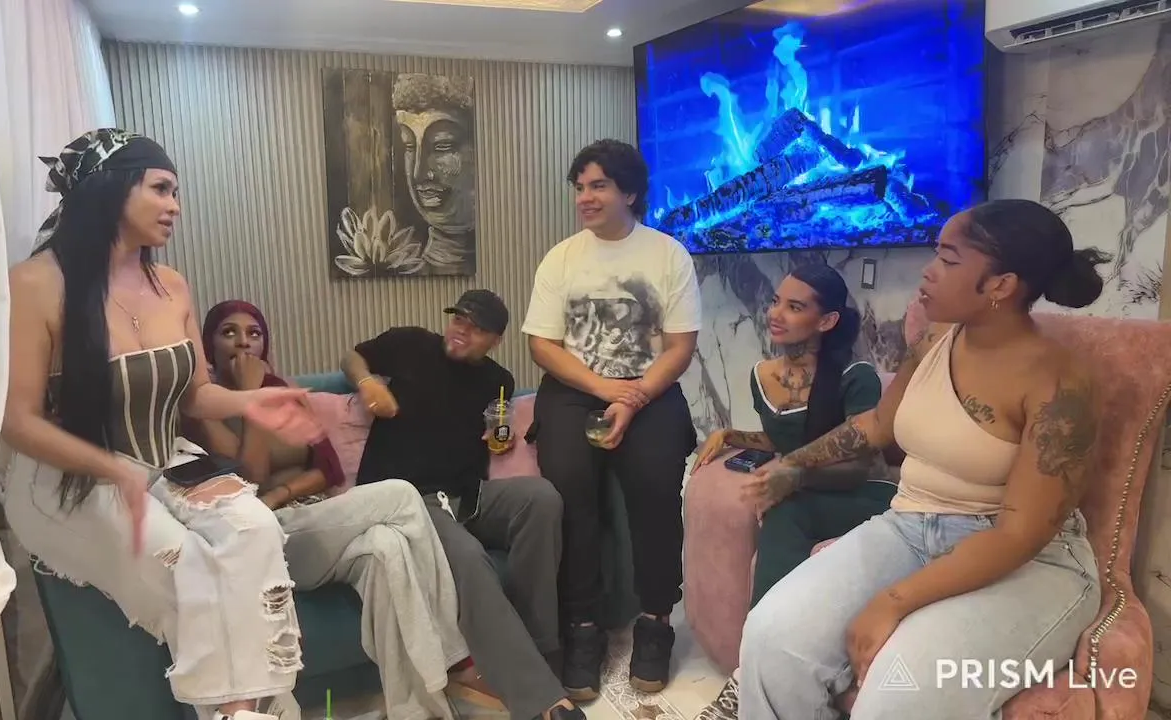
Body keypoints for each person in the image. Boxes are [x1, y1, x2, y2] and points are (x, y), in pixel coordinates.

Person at [737, 198, 1108, 719]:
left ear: (1001, 285)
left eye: (949, 260)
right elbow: (877, 423)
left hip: (1028, 558)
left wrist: (893, 601)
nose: (928, 271)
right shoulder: (936, 337)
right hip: (910, 526)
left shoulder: (1059, 383)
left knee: (901, 690)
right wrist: (791, 463)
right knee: (771, 637)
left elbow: (1018, 536)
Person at [0, 129, 324, 720]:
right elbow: (16, 422)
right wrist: (110, 467)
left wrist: (251, 403)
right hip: (68, 475)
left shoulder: (171, 284)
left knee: (254, 528)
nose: (175, 205)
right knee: (189, 565)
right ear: (111, 189)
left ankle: (241, 711)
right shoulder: (35, 283)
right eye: (161, 189)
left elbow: (196, 394)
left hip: (161, 460)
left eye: (175, 192)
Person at [186, 299, 489, 720]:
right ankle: (455, 655)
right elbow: (250, 478)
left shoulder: (282, 390)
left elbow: (326, 468)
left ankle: (417, 709)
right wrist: (252, 401)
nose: (243, 343)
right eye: (229, 332)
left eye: (254, 333)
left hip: (313, 519)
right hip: (267, 539)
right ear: (209, 343)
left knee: (387, 547)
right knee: (401, 496)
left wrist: (281, 490)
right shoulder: (201, 409)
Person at [341, 290, 585, 720]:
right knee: (470, 557)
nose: (462, 331)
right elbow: (351, 357)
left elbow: (494, 431)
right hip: (406, 500)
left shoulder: (499, 380)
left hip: (467, 494)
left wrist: (499, 438)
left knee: (542, 498)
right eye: (459, 319)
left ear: (495, 340)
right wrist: (367, 383)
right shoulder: (409, 343)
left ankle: (539, 648)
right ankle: (541, 700)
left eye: (476, 328)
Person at [522, 139, 700, 698]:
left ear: (630, 192)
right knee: (569, 493)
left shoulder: (668, 255)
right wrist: (603, 389)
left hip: (650, 390)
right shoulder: (561, 258)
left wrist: (632, 398)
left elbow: (680, 346)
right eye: (579, 187)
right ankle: (583, 628)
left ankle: (656, 621)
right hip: (575, 391)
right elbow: (542, 345)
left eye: (598, 185)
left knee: (656, 489)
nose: (585, 197)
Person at [687, 264, 896, 720]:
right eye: (776, 301)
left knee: (786, 508)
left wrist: (794, 476)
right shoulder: (763, 375)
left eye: (795, 307)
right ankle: (757, 671)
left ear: (827, 321)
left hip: (868, 495)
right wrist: (733, 435)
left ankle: (747, 676)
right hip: (811, 494)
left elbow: (858, 466)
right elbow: (789, 440)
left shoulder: (854, 375)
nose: (775, 313)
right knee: (785, 508)